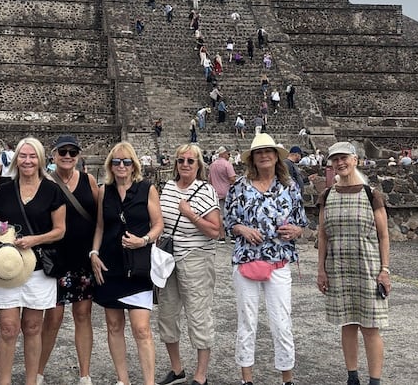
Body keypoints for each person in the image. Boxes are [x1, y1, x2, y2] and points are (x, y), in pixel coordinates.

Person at [224, 133, 306, 385]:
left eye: (268, 151)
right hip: (247, 259)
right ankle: (246, 379)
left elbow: (301, 222)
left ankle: (287, 379)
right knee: (247, 321)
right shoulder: (238, 186)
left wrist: (295, 231)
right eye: (259, 152)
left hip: (278, 260)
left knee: (281, 322)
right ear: (252, 158)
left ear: (276, 156)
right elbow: (228, 223)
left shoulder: (289, 187)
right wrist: (242, 229)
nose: (264, 156)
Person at [0, 137, 67, 385]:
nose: (27, 161)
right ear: (15, 160)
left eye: (32, 156)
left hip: (38, 268)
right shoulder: (3, 192)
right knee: (8, 328)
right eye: (22, 156)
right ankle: (5, 381)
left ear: (41, 160)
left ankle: (31, 381)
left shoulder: (52, 191)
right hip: (8, 268)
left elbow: (60, 230)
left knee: (33, 327)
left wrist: (34, 240)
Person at [316, 141, 391, 385]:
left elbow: (383, 235)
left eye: (344, 158)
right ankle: (352, 377)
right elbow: (323, 235)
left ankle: (375, 381)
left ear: (355, 160)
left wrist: (385, 270)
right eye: (335, 159)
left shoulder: (371, 194)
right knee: (347, 323)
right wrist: (321, 270)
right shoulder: (327, 195)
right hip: (338, 267)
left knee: (370, 327)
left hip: (368, 268)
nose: (340, 163)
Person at [90, 142, 164, 385]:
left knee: (141, 328)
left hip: (138, 265)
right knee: (113, 325)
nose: (121, 165)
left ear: (134, 165)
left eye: (126, 161)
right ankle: (123, 380)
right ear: (110, 165)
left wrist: (143, 241)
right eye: (116, 161)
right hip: (110, 265)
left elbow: (158, 225)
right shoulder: (104, 191)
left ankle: (149, 382)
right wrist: (94, 253)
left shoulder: (146, 189)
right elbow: (101, 226)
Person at [35, 135, 99, 385]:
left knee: (83, 315)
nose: (68, 156)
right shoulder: (45, 182)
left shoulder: (88, 180)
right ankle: (38, 371)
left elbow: (99, 217)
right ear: (53, 155)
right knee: (53, 317)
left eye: (73, 152)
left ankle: (85, 374)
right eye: (63, 152)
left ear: (78, 156)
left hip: (82, 257)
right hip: (54, 260)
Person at [157, 144, 221, 385]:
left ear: (198, 165)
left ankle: (201, 375)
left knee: (198, 314)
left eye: (190, 161)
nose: (185, 164)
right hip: (168, 258)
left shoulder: (205, 191)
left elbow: (216, 231)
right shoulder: (168, 188)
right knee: (167, 313)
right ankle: (177, 370)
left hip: (196, 257)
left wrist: (191, 214)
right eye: (181, 160)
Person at [208, 146, 236, 242]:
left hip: (216, 192)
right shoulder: (227, 164)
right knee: (231, 213)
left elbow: (210, 180)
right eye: (228, 154)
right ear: (224, 154)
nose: (229, 156)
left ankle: (222, 236)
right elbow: (232, 178)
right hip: (227, 191)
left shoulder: (212, 165)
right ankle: (232, 235)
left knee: (219, 215)